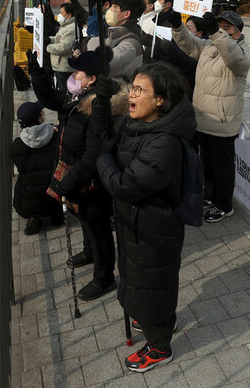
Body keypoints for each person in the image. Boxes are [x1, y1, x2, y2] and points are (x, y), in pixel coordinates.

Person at [94, 62, 196, 372]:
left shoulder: (163, 142)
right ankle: (158, 322)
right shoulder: (137, 123)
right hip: (135, 225)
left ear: (161, 100)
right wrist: (101, 100)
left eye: (139, 90)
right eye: (132, 88)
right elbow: (105, 135)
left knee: (152, 287)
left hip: (153, 230)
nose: (132, 95)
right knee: (142, 284)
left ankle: (159, 347)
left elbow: (124, 185)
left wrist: (102, 159)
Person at [29, 49, 118, 301]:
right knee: (85, 222)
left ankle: (104, 277)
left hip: (90, 183)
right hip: (75, 180)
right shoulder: (76, 99)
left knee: (98, 229)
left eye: (77, 71)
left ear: (91, 79)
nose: (72, 75)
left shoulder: (98, 107)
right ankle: (88, 252)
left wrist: (64, 185)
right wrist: (36, 71)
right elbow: (51, 99)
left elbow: (92, 157)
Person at [173, 10, 250, 222]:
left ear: (237, 33)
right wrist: (177, 27)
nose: (221, 32)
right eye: (219, 27)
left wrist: (216, 32)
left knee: (222, 167)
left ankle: (225, 205)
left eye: (227, 28)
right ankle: (210, 196)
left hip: (222, 121)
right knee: (206, 163)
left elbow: (233, 57)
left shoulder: (242, 52)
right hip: (202, 117)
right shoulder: (208, 46)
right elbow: (189, 45)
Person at [11, 101, 64, 235]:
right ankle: (56, 217)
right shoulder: (55, 137)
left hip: (28, 201)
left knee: (27, 181)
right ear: (39, 119)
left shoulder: (16, 146)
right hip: (54, 195)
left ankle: (34, 218)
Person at [87, 0, 144, 80]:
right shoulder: (115, 33)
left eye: (115, 7)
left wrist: (93, 40)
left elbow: (101, 65)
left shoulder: (130, 43)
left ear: (126, 14)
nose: (110, 10)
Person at [47, 3, 77, 91]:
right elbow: (57, 39)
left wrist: (48, 46)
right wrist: (49, 40)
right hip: (58, 65)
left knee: (64, 92)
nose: (59, 15)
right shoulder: (64, 25)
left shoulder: (71, 28)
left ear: (69, 15)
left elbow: (63, 47)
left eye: (62, 13)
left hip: (64, 67)